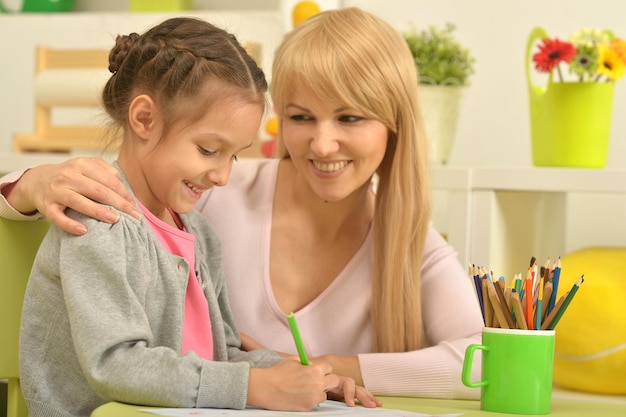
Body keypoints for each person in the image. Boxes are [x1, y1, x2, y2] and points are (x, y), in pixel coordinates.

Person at [1, 8, 483, 399]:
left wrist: (322, 374)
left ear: (393, 125)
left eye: (350, 117)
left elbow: (220, 350)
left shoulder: (197, 220)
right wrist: (29, 184)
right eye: (300, 117)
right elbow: (119, 363)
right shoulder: (144, 208)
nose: (322, 144)